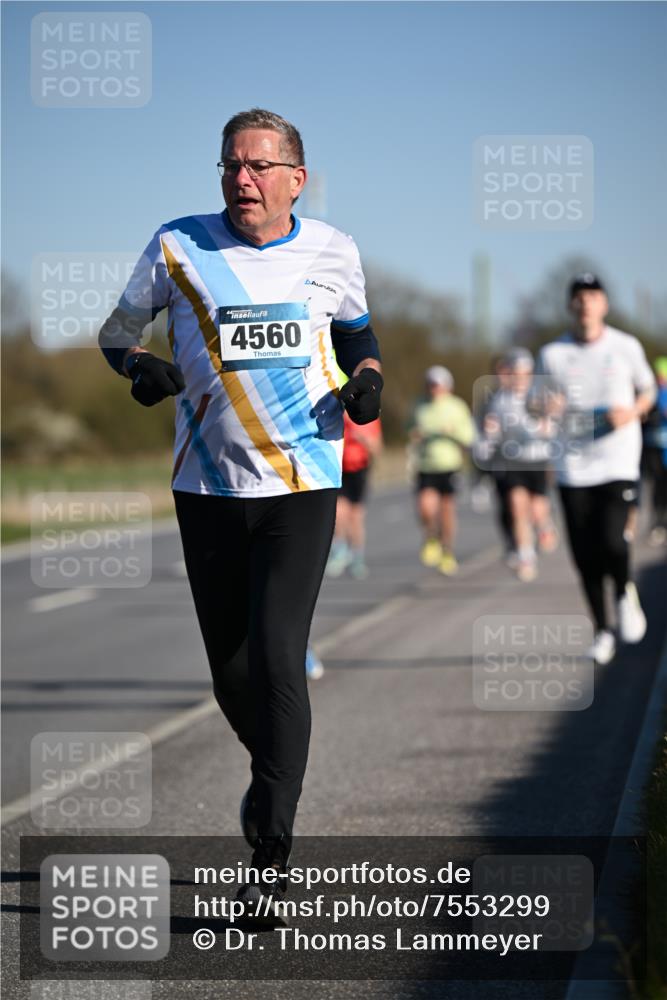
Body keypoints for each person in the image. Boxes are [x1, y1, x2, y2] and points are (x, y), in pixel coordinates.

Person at [98, 108, 383, 918]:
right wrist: (140, 367)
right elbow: (116, 332)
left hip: (300, 484)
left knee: (277, 656)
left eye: (258, 166)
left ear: (297, 176)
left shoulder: (332, 249)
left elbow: (361, 336)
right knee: (230, 674)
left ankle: (270, 855)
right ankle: (277, 775)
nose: (241, 179)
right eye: (230, 165)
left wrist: (367, 379)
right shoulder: (177, 244)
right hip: (206, 489)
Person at [535, 274, 656, 664]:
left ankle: (623, 592)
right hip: (573, 464)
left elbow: (648, 389)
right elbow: (536, 403)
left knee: (614, 540)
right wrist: (546, 407)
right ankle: (602, 631)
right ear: (570, 306)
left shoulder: (626, 346)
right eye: (579, 297)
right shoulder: (552, 353)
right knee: (585, 555)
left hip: (617, 459)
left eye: (593, 296)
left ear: (603, 303)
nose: (586, 303)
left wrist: (633, 411)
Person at [478, 348, 558, 581]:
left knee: (536, 509)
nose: (521, 377)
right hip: (513, 461)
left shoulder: (540, 395)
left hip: (538, 458)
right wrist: (490, 436)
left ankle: (544, 525)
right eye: (517, 372)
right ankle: (525, 555)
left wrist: (543, 428)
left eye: (526, 373)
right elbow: (493, 428)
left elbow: (553, 426)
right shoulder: (500, 400)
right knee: (516, 504)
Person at [409, 365, 475, 575]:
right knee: (425, 508)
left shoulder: (457, 406)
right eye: (430, 385)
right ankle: (431, 538)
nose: (434, 389)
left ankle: (447, 551)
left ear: (447, 387)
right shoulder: (419, 405)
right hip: (426, 465)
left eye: (438, 385)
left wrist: (452, 432)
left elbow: (468, 437)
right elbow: (409, 429)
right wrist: (415, 434)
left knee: (447, 512)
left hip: (450, 465)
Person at [326, 408, 382, 580]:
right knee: (339, 512)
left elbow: (377, 449)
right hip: (340, 469)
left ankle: (357, 557)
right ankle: (340, 550)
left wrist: (362, 439)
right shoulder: (336, 414)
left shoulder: (368, 415)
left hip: (360, 469)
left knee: (356, 517)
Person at [641, 357, 667, 546]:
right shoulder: (652, 394)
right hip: (654, 448)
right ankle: (657, 524)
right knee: (657, 488)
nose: (660, 379)